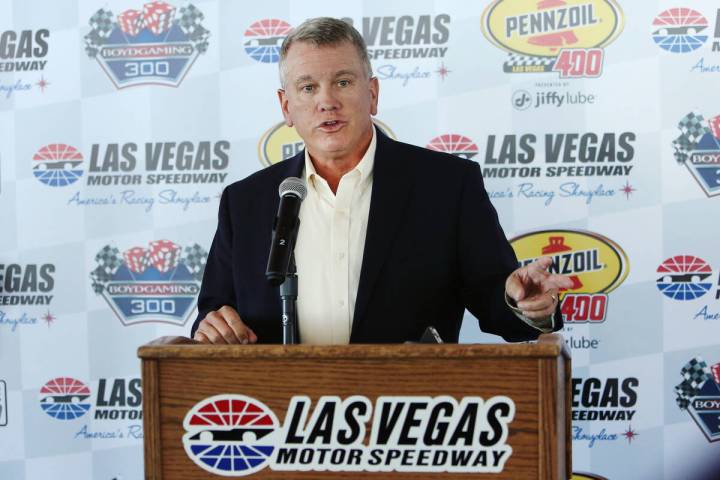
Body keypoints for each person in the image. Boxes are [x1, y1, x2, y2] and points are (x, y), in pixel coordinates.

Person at [190, 17, 573, 345]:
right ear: (286, 107)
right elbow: (215, 313)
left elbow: (498, 303)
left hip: (407, 418)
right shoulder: (245, 202)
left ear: (372, 94)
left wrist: (524, 304)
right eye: (308, 87)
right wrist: (214, 327)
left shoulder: (447, 186)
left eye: (342, 82)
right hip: (282, 418)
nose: (327, 102)